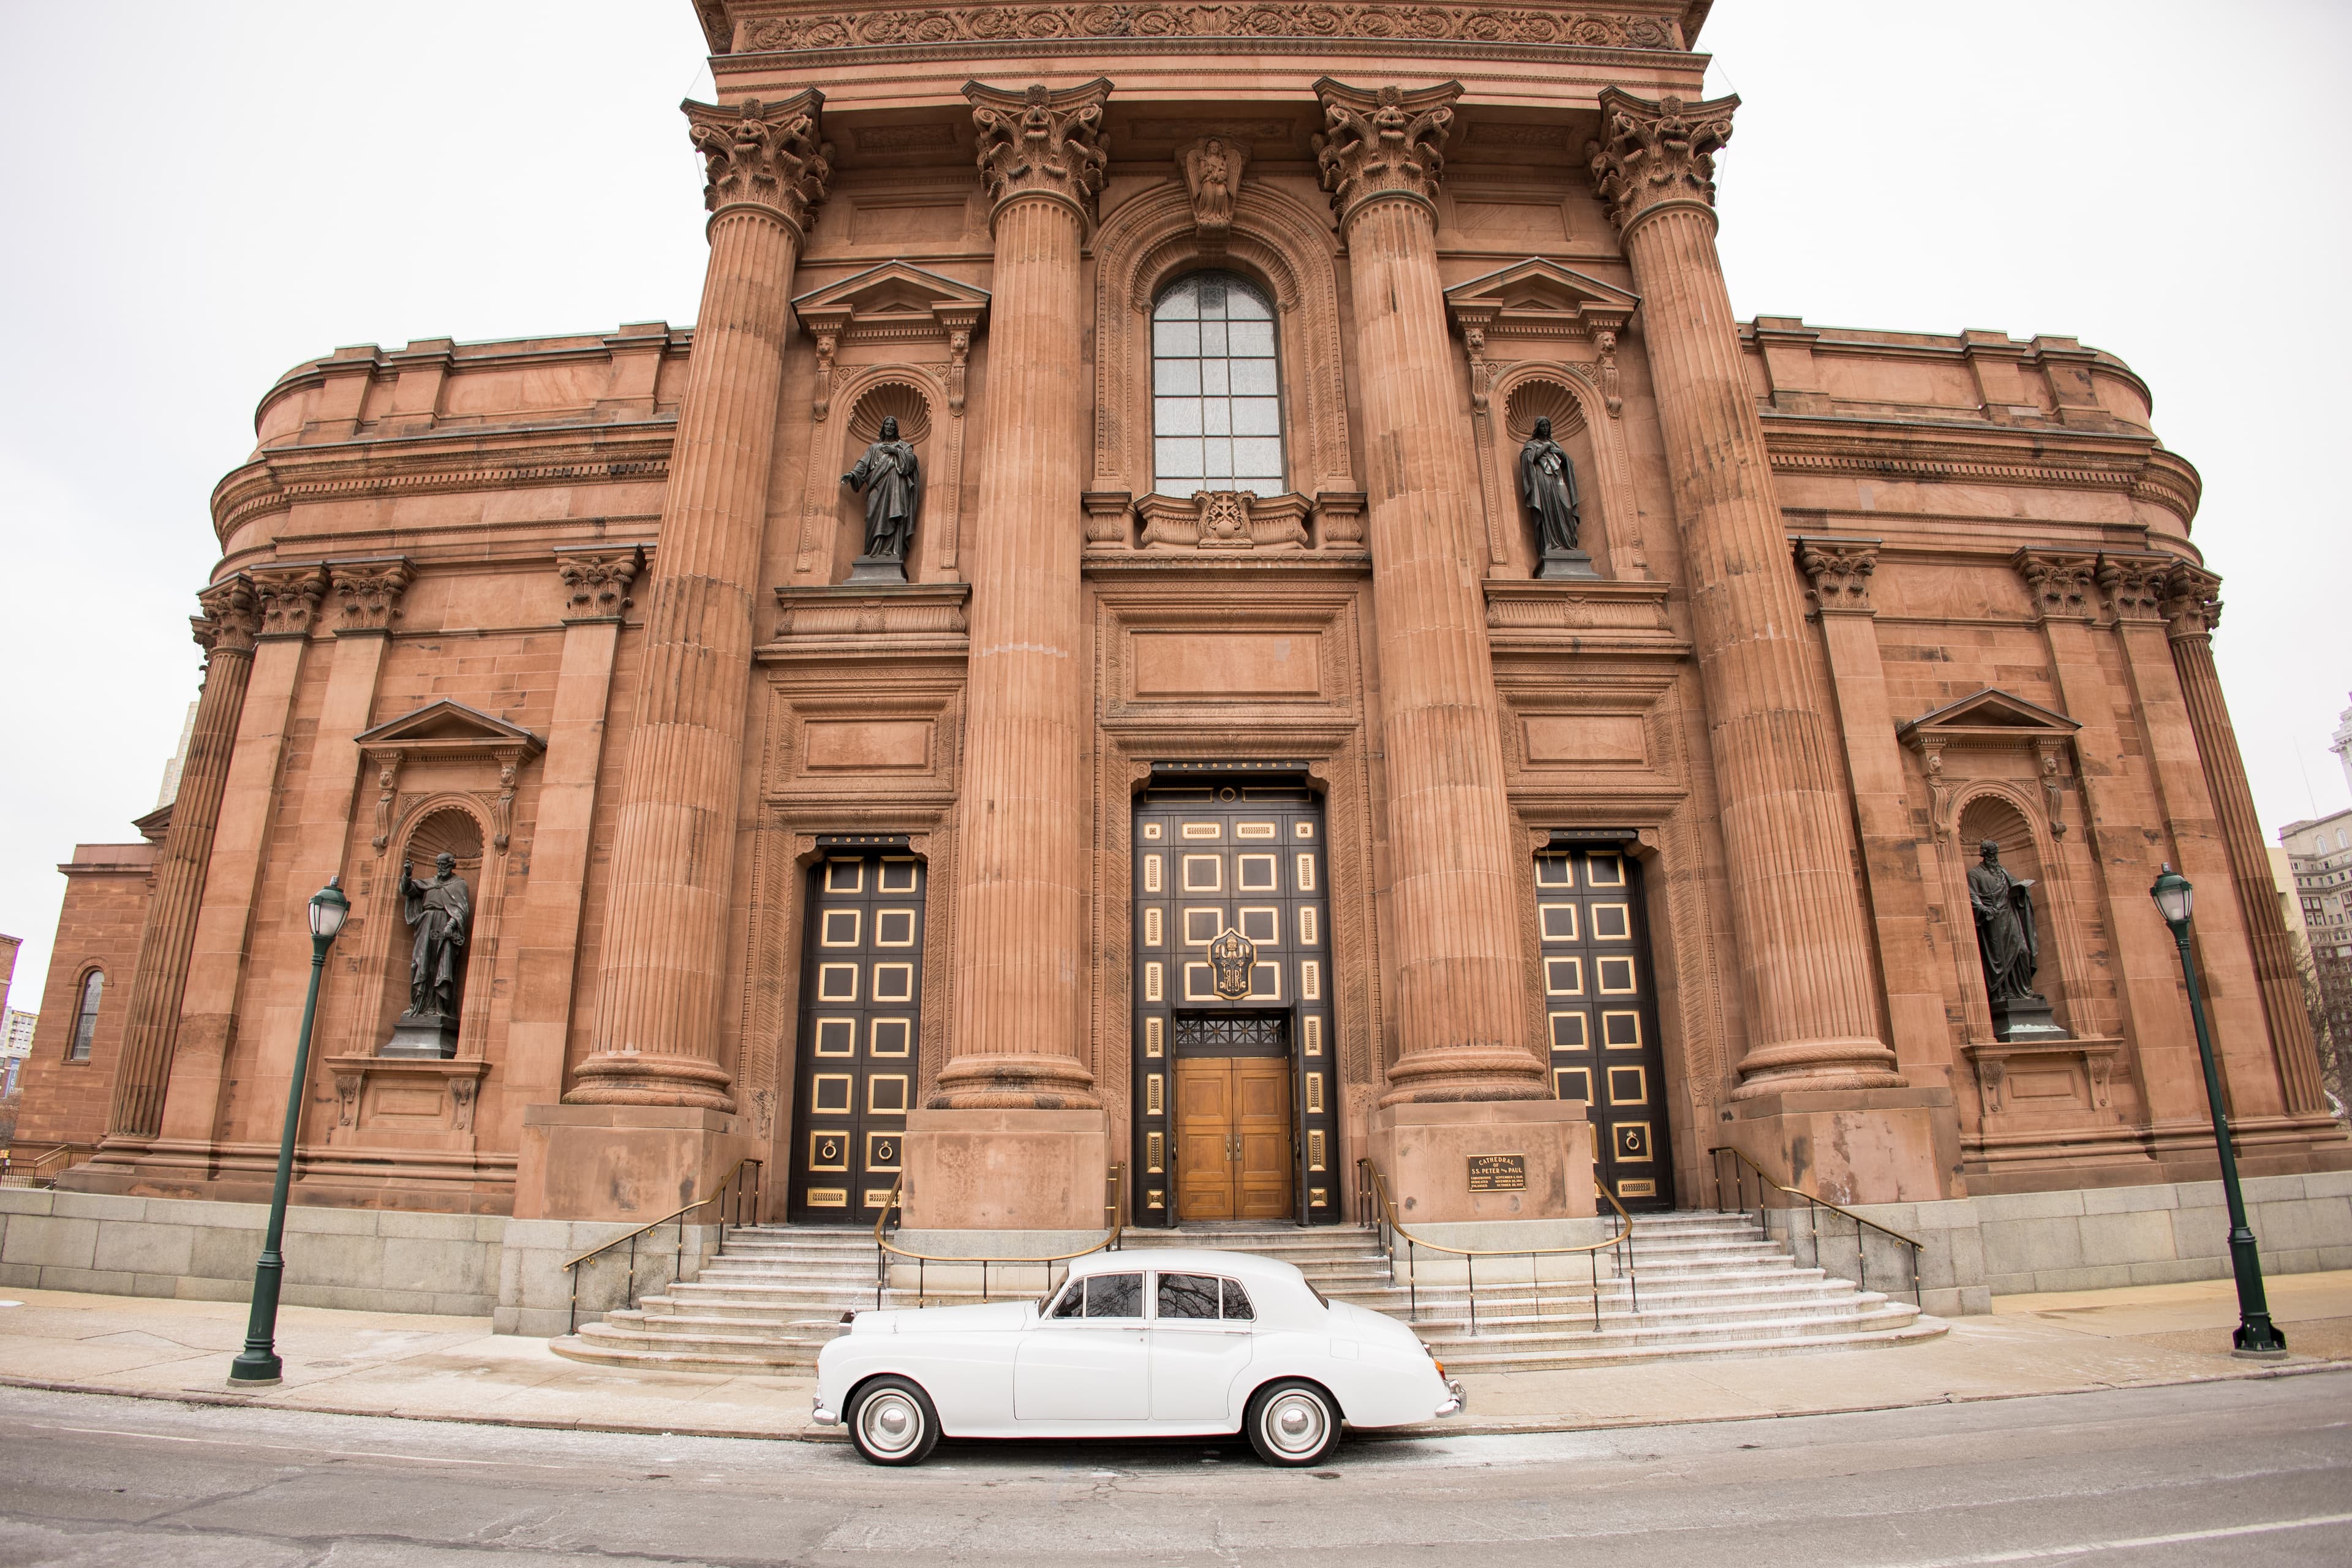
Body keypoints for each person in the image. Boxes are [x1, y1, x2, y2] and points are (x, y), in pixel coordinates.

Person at [401, 851, 472, 1020]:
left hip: (445, 928)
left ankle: (437, 1007)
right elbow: (408, 890)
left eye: (444, 865)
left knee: (441, 966)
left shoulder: (459, 885)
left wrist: (450, 925)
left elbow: (461, 911)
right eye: (439, 865)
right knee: (419, 963)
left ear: (451, 865)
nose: (441, 868)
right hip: (426, 926)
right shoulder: (429, 883)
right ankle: (417, 1004)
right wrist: (408, 875)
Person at [842, 415, 921, 563]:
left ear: (896, 428)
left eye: (892, 425)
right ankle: (873, 551)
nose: (889, 427)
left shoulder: (903, 446)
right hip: (877, 486)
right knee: (872, 515)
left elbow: (911, 462)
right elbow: (863, 464)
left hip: (896, 486)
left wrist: (896, 452)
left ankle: (891, 550)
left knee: (894, 513)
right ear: (883, 427)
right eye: (887, 424)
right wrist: (853, 474)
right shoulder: (874, 448)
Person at [1968, 839, 2040, 1002]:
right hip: (1993, 919)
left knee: (2022, 950)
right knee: (1998, 956)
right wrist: (1983, 908)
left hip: (2010, 915)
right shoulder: (1975, 874)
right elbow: (1973, 894)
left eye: (1996, 854)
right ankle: (2001, 992)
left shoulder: (2003, 871)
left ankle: (2024, 991)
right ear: (1985, 855)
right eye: (1992, 855)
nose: (1995, 858)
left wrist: (2022, 890)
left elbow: (2014, 886)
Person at [1517, 416, 1581, 554]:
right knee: (1548, 509)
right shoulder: (1531, 444)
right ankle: (1551, 543)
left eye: (1547, 425)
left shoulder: (1555, 444)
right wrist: (1544, 448)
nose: (1546, 428)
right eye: (1543, 426)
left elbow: (1568, 464)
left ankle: (1568, 543)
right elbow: (1527, 460)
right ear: (1537, 428)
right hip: (1543, 481)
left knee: (1567, 508)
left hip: (1558, 479)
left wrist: (1562, 455)